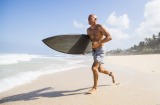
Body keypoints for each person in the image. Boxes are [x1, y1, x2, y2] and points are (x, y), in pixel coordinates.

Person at [87, 14, 115, 94]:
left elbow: (109, 37)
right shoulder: (88, 30)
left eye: (90, 18)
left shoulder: (100, 27)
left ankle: (95, 88)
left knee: (94, 68)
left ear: (95, 19)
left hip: (100, 50)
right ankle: (111, 73)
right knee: (100, 69)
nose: (88, 20)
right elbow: (88, 42)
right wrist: (83, 50)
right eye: (88, 18)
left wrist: (99, 42)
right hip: (93, 51)